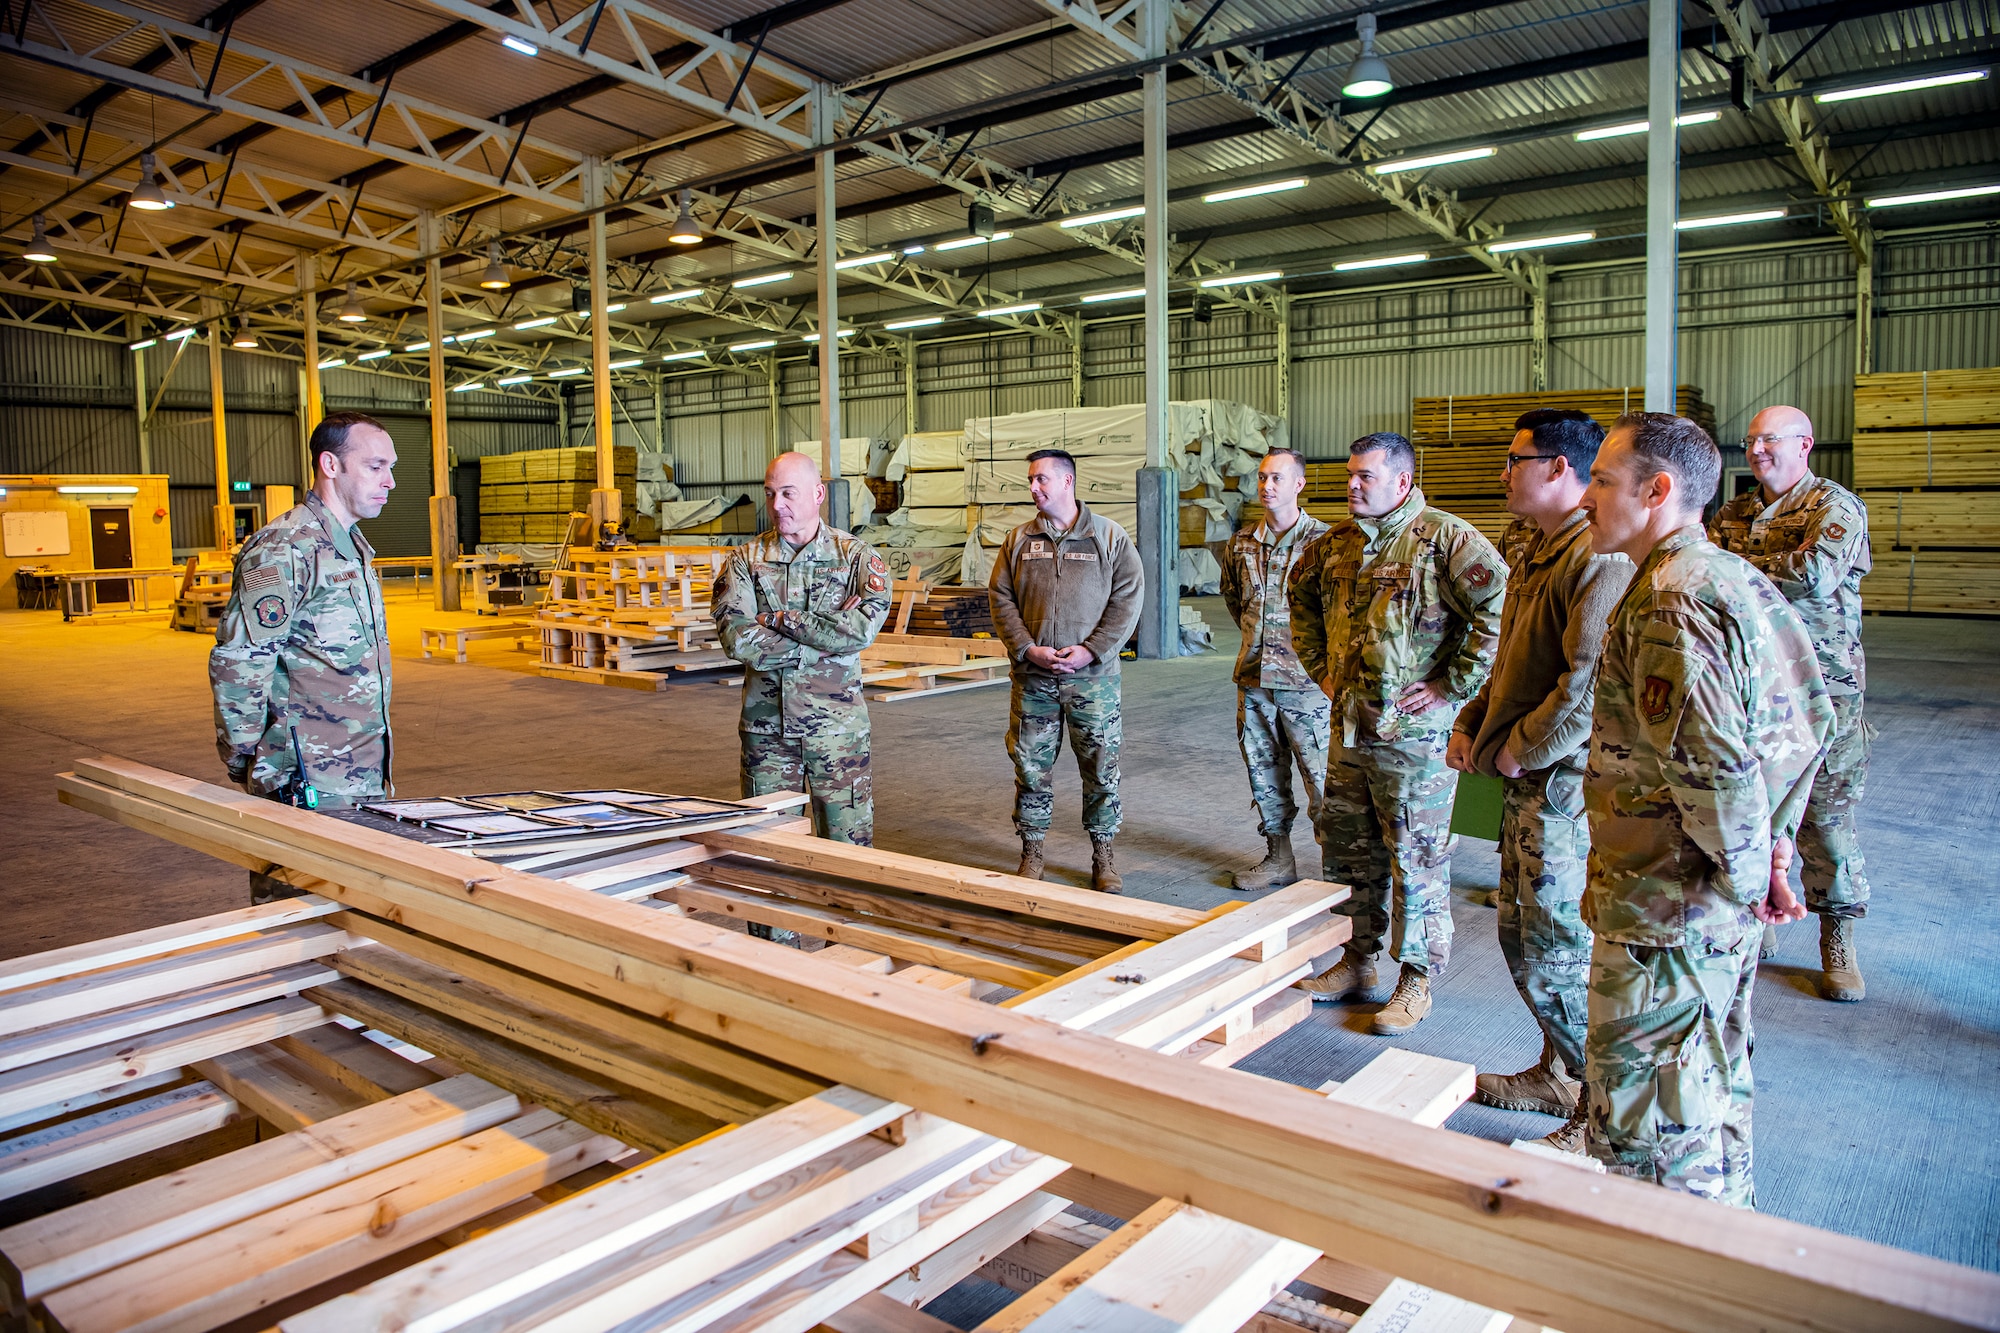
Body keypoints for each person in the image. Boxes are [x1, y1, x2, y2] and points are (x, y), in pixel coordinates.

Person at [1579, 411, 1834, 1206]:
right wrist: (1774, 856)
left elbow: (1713, 767)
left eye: (1601, 480)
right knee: (1711, 1092)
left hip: (1670, 908)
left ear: (1656, 491)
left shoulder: (1669, 598)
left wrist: (1755, 871)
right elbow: (1806, 719)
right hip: (1714, 900)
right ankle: (1728, 1256)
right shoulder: (1729, 577)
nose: (1588, 496)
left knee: (1650, 1129)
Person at [1450, 409, 1631, 1151]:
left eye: (1517, 460)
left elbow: (1583, 687)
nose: (1503, 472)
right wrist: (1472, 719)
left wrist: (1522, 748)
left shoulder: (1599, 557)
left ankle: (1600, 1114)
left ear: (1560, 469)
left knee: (1555, 944)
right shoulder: (1537, 546)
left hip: (1557, 786)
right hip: (1520, 776)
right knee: (1520, 931)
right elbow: (1513, 661)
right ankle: (1558, 1070)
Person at [1291, 432, 1506, 1033]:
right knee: (1348, 852)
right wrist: (1323, 672)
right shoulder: (1334, 546)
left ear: (1402, 482)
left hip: (1415, 741)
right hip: (1351, 732)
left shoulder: (1446, 539)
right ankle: (1355, 962)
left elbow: (1499, 609)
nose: (1353, 486)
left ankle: (1416, 979)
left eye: (1366, 477)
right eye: (1350, 476)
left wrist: (1451, 687)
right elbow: (1298, 602)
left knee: (1416, 858)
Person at [1710, 406, 1873, 1001]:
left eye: (1769, 440)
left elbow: (1812, 576)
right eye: (1751, 440)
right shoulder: (1735, 510)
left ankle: (1838, 934)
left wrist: (1734, 568)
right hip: (1754, 686)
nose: (1756, 450)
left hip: (1825, 689)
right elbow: (1713, 572)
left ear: (1804, 444)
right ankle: (1758, 913)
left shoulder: (1835, 507)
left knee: (1825, 818)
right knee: (1754, 807)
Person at [210, 410, 397, 902]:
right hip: (303, 775)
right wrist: (246, 756)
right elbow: (241, 659)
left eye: (390, 468)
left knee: (352, 913)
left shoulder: (352, 547)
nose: (390, 482)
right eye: (376, 466)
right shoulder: (285, 547)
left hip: (359, 770)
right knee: (295, 916)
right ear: (330, 465)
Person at [713, 452, 892, 857]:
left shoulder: (857, 560)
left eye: (788, 493)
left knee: (850, 854)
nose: (777, 505)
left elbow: (861, 630)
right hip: (767, 736)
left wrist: (780, 619)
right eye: (771, 493)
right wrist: (826, 637)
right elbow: (737, 640)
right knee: (768, 854)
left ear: (817, 494)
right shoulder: (744, 561)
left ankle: (848, 921)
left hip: (838, 735)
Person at [987, 448, 1144, 892]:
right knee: (1031, 767)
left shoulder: (1109, 538)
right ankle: (1032, 851)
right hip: (1034, 681)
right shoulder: (1019, 540)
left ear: (1068, 481)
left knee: (1101, 767)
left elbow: (1128, 600)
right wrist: (1026, 649)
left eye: (1041, 480)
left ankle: (1103, 855)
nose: (1033, 488)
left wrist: (1092, 650)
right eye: (1031, 480)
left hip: (1093, 683)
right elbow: (1000, 599)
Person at [1220, 448, 1332, 890]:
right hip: (1254, 679)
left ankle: (1337, 868)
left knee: (1323, 779)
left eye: (1277, 479)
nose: (1267, 487)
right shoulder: (1243, 542)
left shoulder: (1327, 543)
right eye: (1262, 478)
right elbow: (1234, 600)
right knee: (1264, 774)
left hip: (1309, 684)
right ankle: (1278, 858)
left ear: (1300, 484)